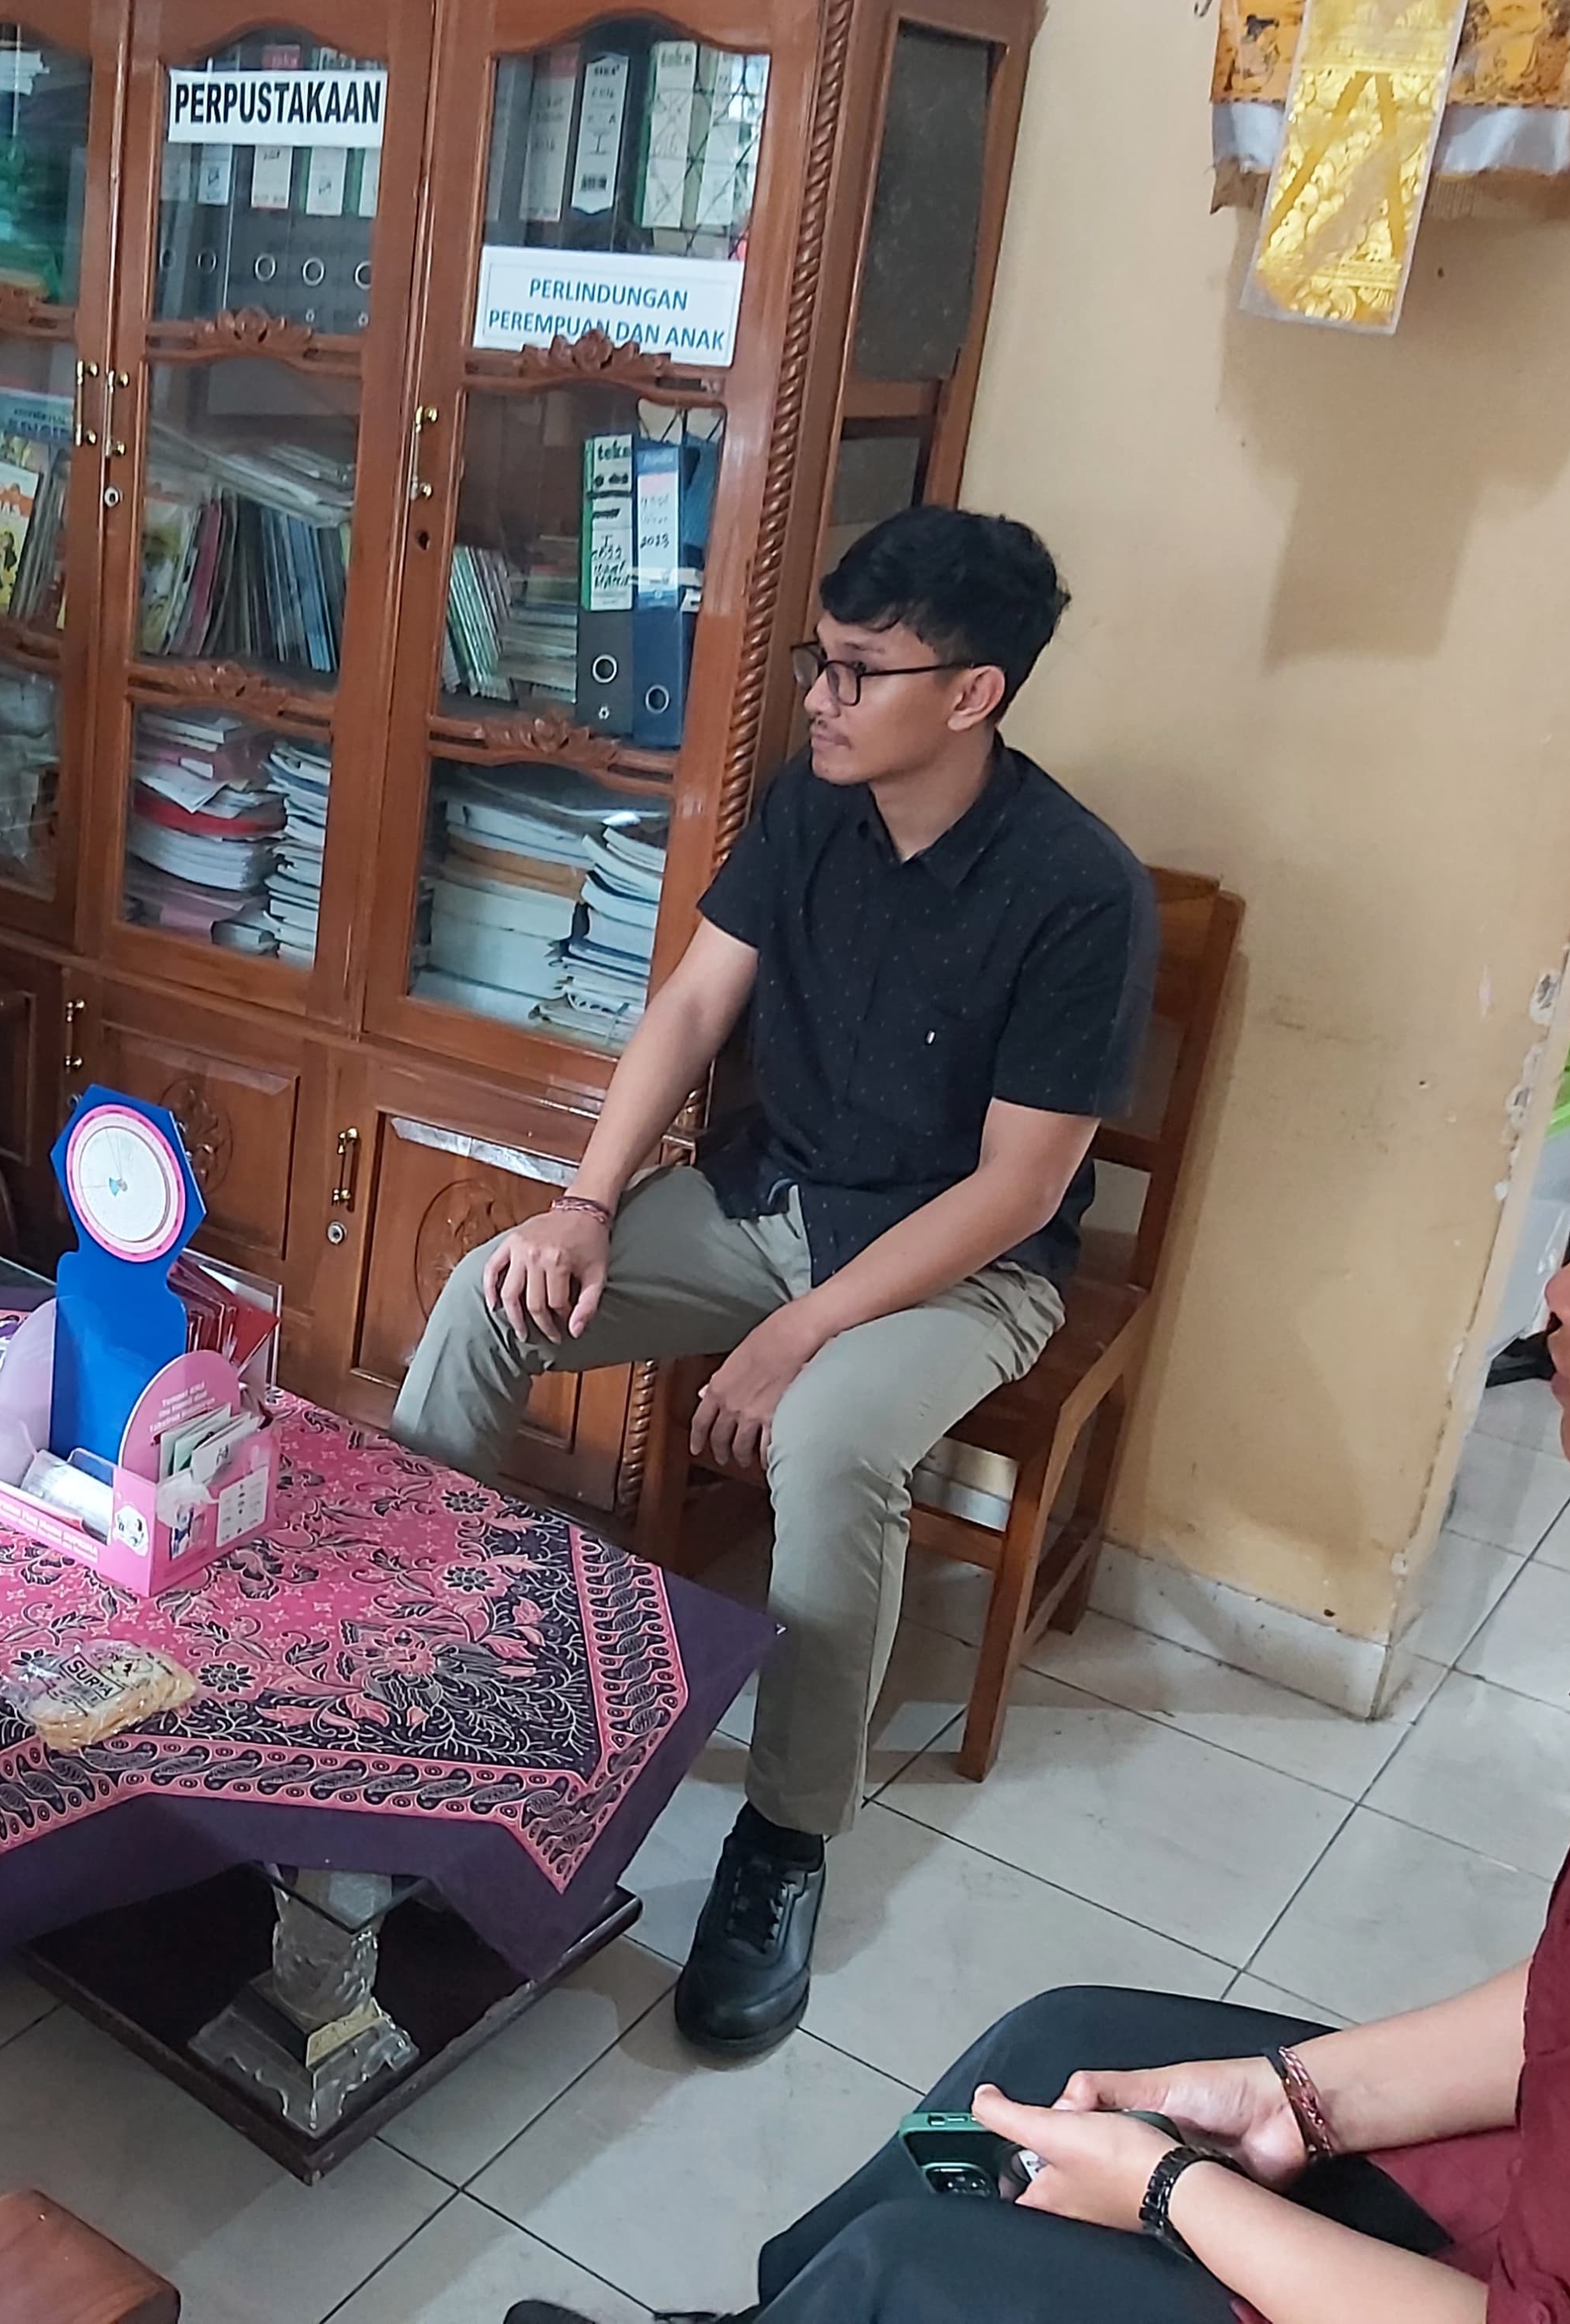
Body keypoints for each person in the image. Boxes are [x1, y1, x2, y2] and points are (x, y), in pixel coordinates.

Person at [509, 1038, 1570, 2324]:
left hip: (1507, 2276)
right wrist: (1290, 2098)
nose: (1556, 1290)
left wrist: (1174, 2192)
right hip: (1542, 2167)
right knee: (1056, 2053)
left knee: (924, 2271)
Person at [396, 508, 1156, 2058]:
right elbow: (690, 1005)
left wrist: (802, 1334)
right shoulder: (812, 803)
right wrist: (584, 1205)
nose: (819, 696)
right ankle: (410, 1667)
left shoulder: (1079, 891)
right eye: (823, 658)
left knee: (830, 1439)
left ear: (973, 693)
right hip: (766, 1203)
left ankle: (786, 1839)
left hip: (958, 1270)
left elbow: (1017, 1186)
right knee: (490, 1294)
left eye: (860, 671)